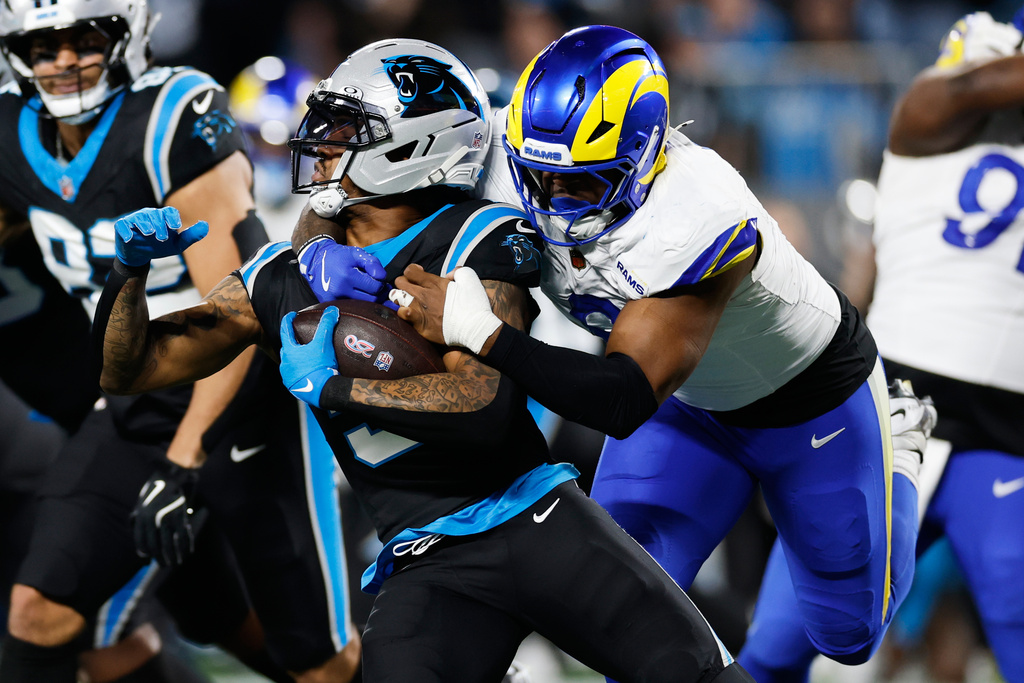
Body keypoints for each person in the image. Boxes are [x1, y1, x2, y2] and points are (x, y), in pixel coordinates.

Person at [94, 37, 756, 683]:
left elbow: (484, 407)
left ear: (414, 145)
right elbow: (129, 368)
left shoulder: (480, 238)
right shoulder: (282, 275)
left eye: (347, 129)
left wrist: (333, 387)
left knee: (695, 673)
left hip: (535, 520)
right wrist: (126, 277)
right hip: (425, 556)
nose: (320, 142)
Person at [360, 25, 937, 682]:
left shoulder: (696, 214)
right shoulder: (494, 149)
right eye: (538, 177)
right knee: (620, 613)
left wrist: (487, 334)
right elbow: (356, 182)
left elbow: (625, 397)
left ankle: (900, 445)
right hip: (686, 404)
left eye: (582, 184)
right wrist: (317, 248)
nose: (552, 202)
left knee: (848, 633)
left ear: (643, 160)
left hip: (805, 399)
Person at [0, 0, 360, 680]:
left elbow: (238, 318)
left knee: (320, 662)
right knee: (39, 611)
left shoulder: (172, 117)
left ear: (128, 32)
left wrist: (184, 459)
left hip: (242, 392)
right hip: (137, 400)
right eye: (44, 47)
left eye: (84, 38)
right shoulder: (11, 132)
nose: (64, 61)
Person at [865, 10, 1024, 682]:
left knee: (1006, 605)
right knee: (817, 617)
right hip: (904, 390)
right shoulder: (930, 107)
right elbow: (968, 88)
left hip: (1002, 416)